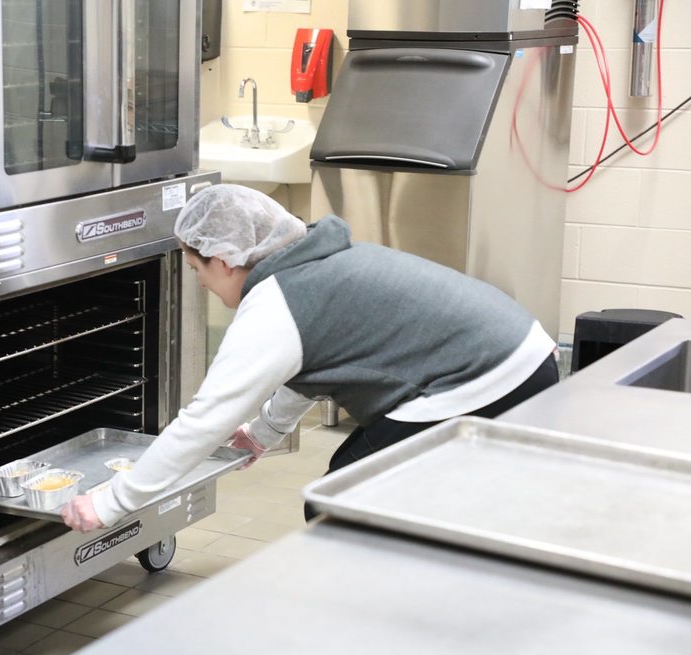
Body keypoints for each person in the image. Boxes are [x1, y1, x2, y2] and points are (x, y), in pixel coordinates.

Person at [62, 184, 558, 532]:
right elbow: (311, 365)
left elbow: (204, 420)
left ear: (226, 259)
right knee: (359, 484)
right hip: (521, 356)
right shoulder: (315, 263)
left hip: (485, 378)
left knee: (338, 506)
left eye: (197, 268)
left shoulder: (276, 304)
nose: (201, 284)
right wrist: (261, 436)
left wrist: (111, 503)